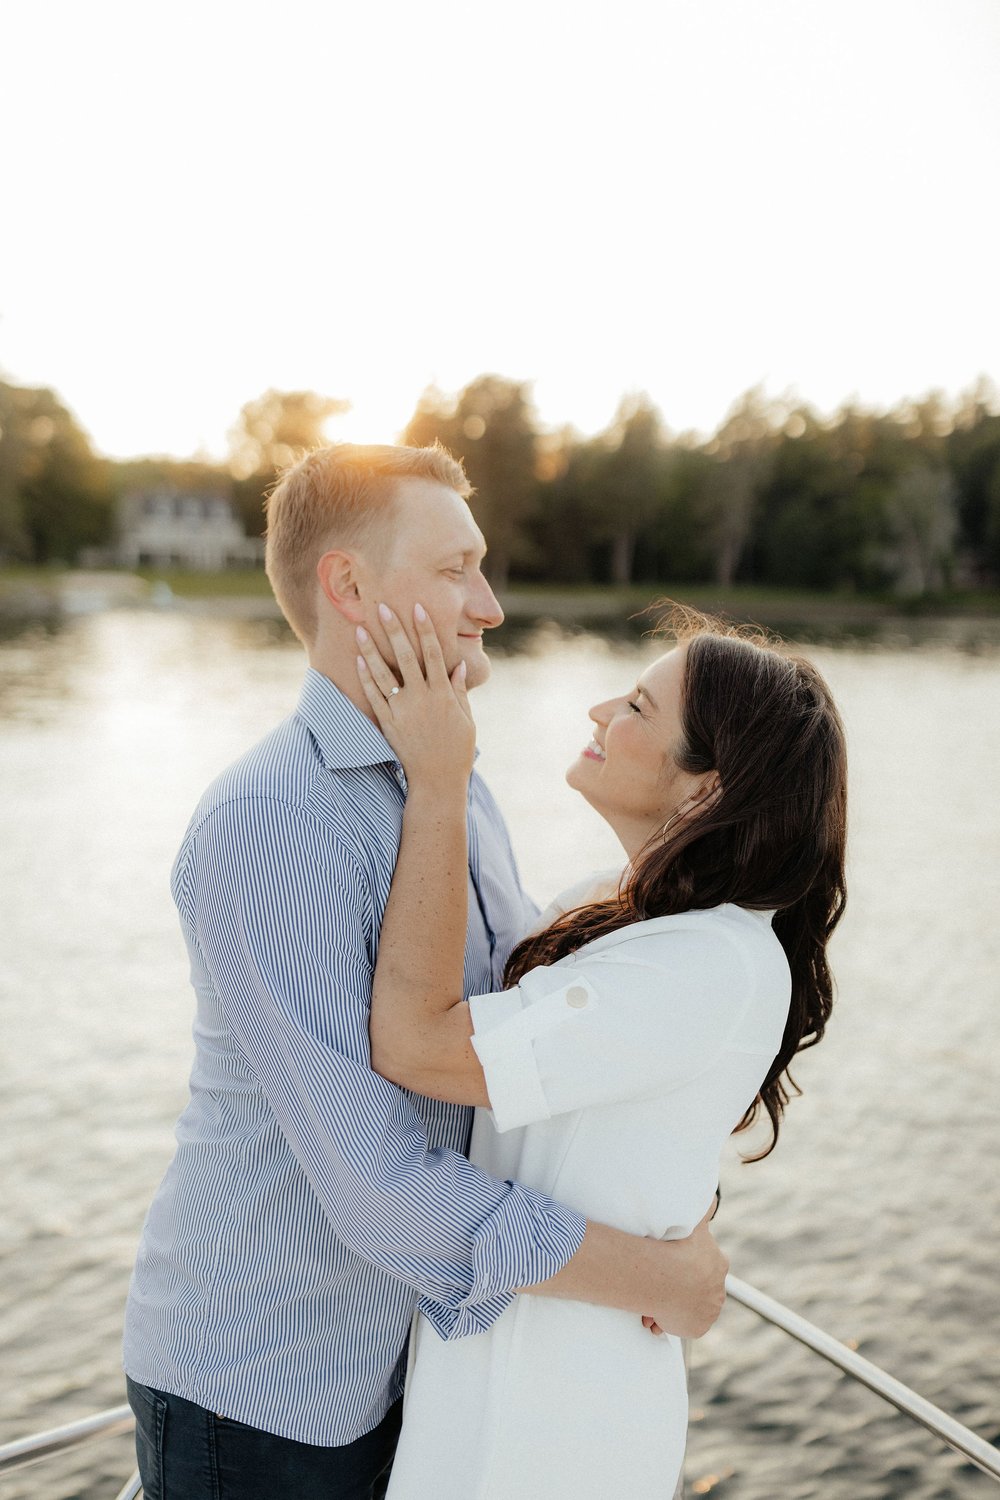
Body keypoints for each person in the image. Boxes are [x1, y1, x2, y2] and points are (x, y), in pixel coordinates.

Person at [122, 443, 729, 1500]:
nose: (488, 606)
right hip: (264, 1390)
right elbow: (376, 1186)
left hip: (400, 1362)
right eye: (455, 569)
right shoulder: (271, 821)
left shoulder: (444, 772)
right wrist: (656, 1277)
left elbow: (511, 1025)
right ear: (348, 587)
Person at [354, 598, 848, 1499]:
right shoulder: (618, 910)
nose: (599, 714)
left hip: (554, 1426)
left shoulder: (709, 961)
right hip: (498, 1375)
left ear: (707, 789)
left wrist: (438, 777)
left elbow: (419, 1045)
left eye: (635, 708)